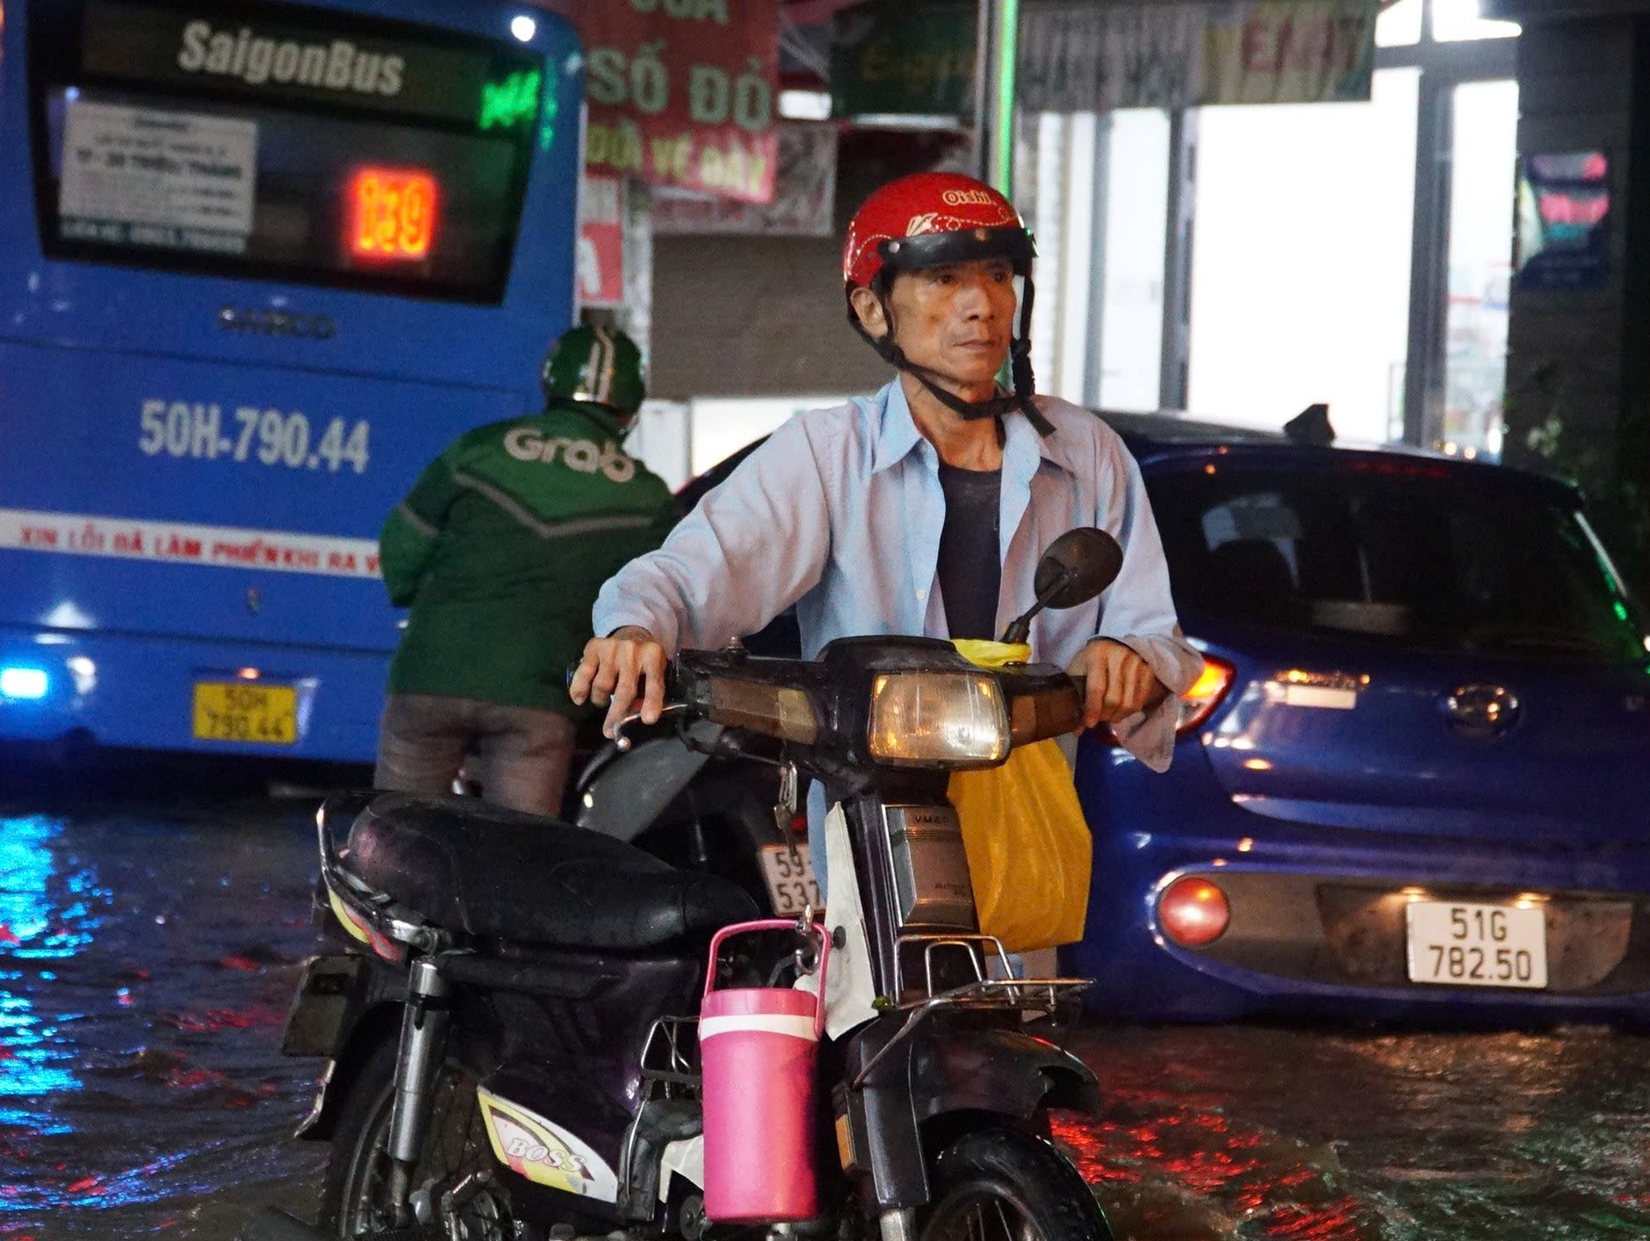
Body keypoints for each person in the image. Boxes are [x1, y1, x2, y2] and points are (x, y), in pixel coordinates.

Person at [567, 173, 1200, 769]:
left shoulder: (1087, 452)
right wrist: (635, 628)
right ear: (874, 310)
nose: (982, 304)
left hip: (1035, 820)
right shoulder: (827, 454)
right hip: (869, 824)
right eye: (945, 278)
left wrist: (1129, 656)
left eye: (1000, 275)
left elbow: (1154, 633)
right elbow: (694, 573)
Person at [375, 325, 675, 817]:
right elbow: (664, 592)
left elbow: (400, 549)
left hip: (433, 674)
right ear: (629, 408)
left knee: (396, 837)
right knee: (519, 857)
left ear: (549, 383)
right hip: (539, 697)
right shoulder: (648, 498)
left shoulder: (479, 450)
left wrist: (428, 611)